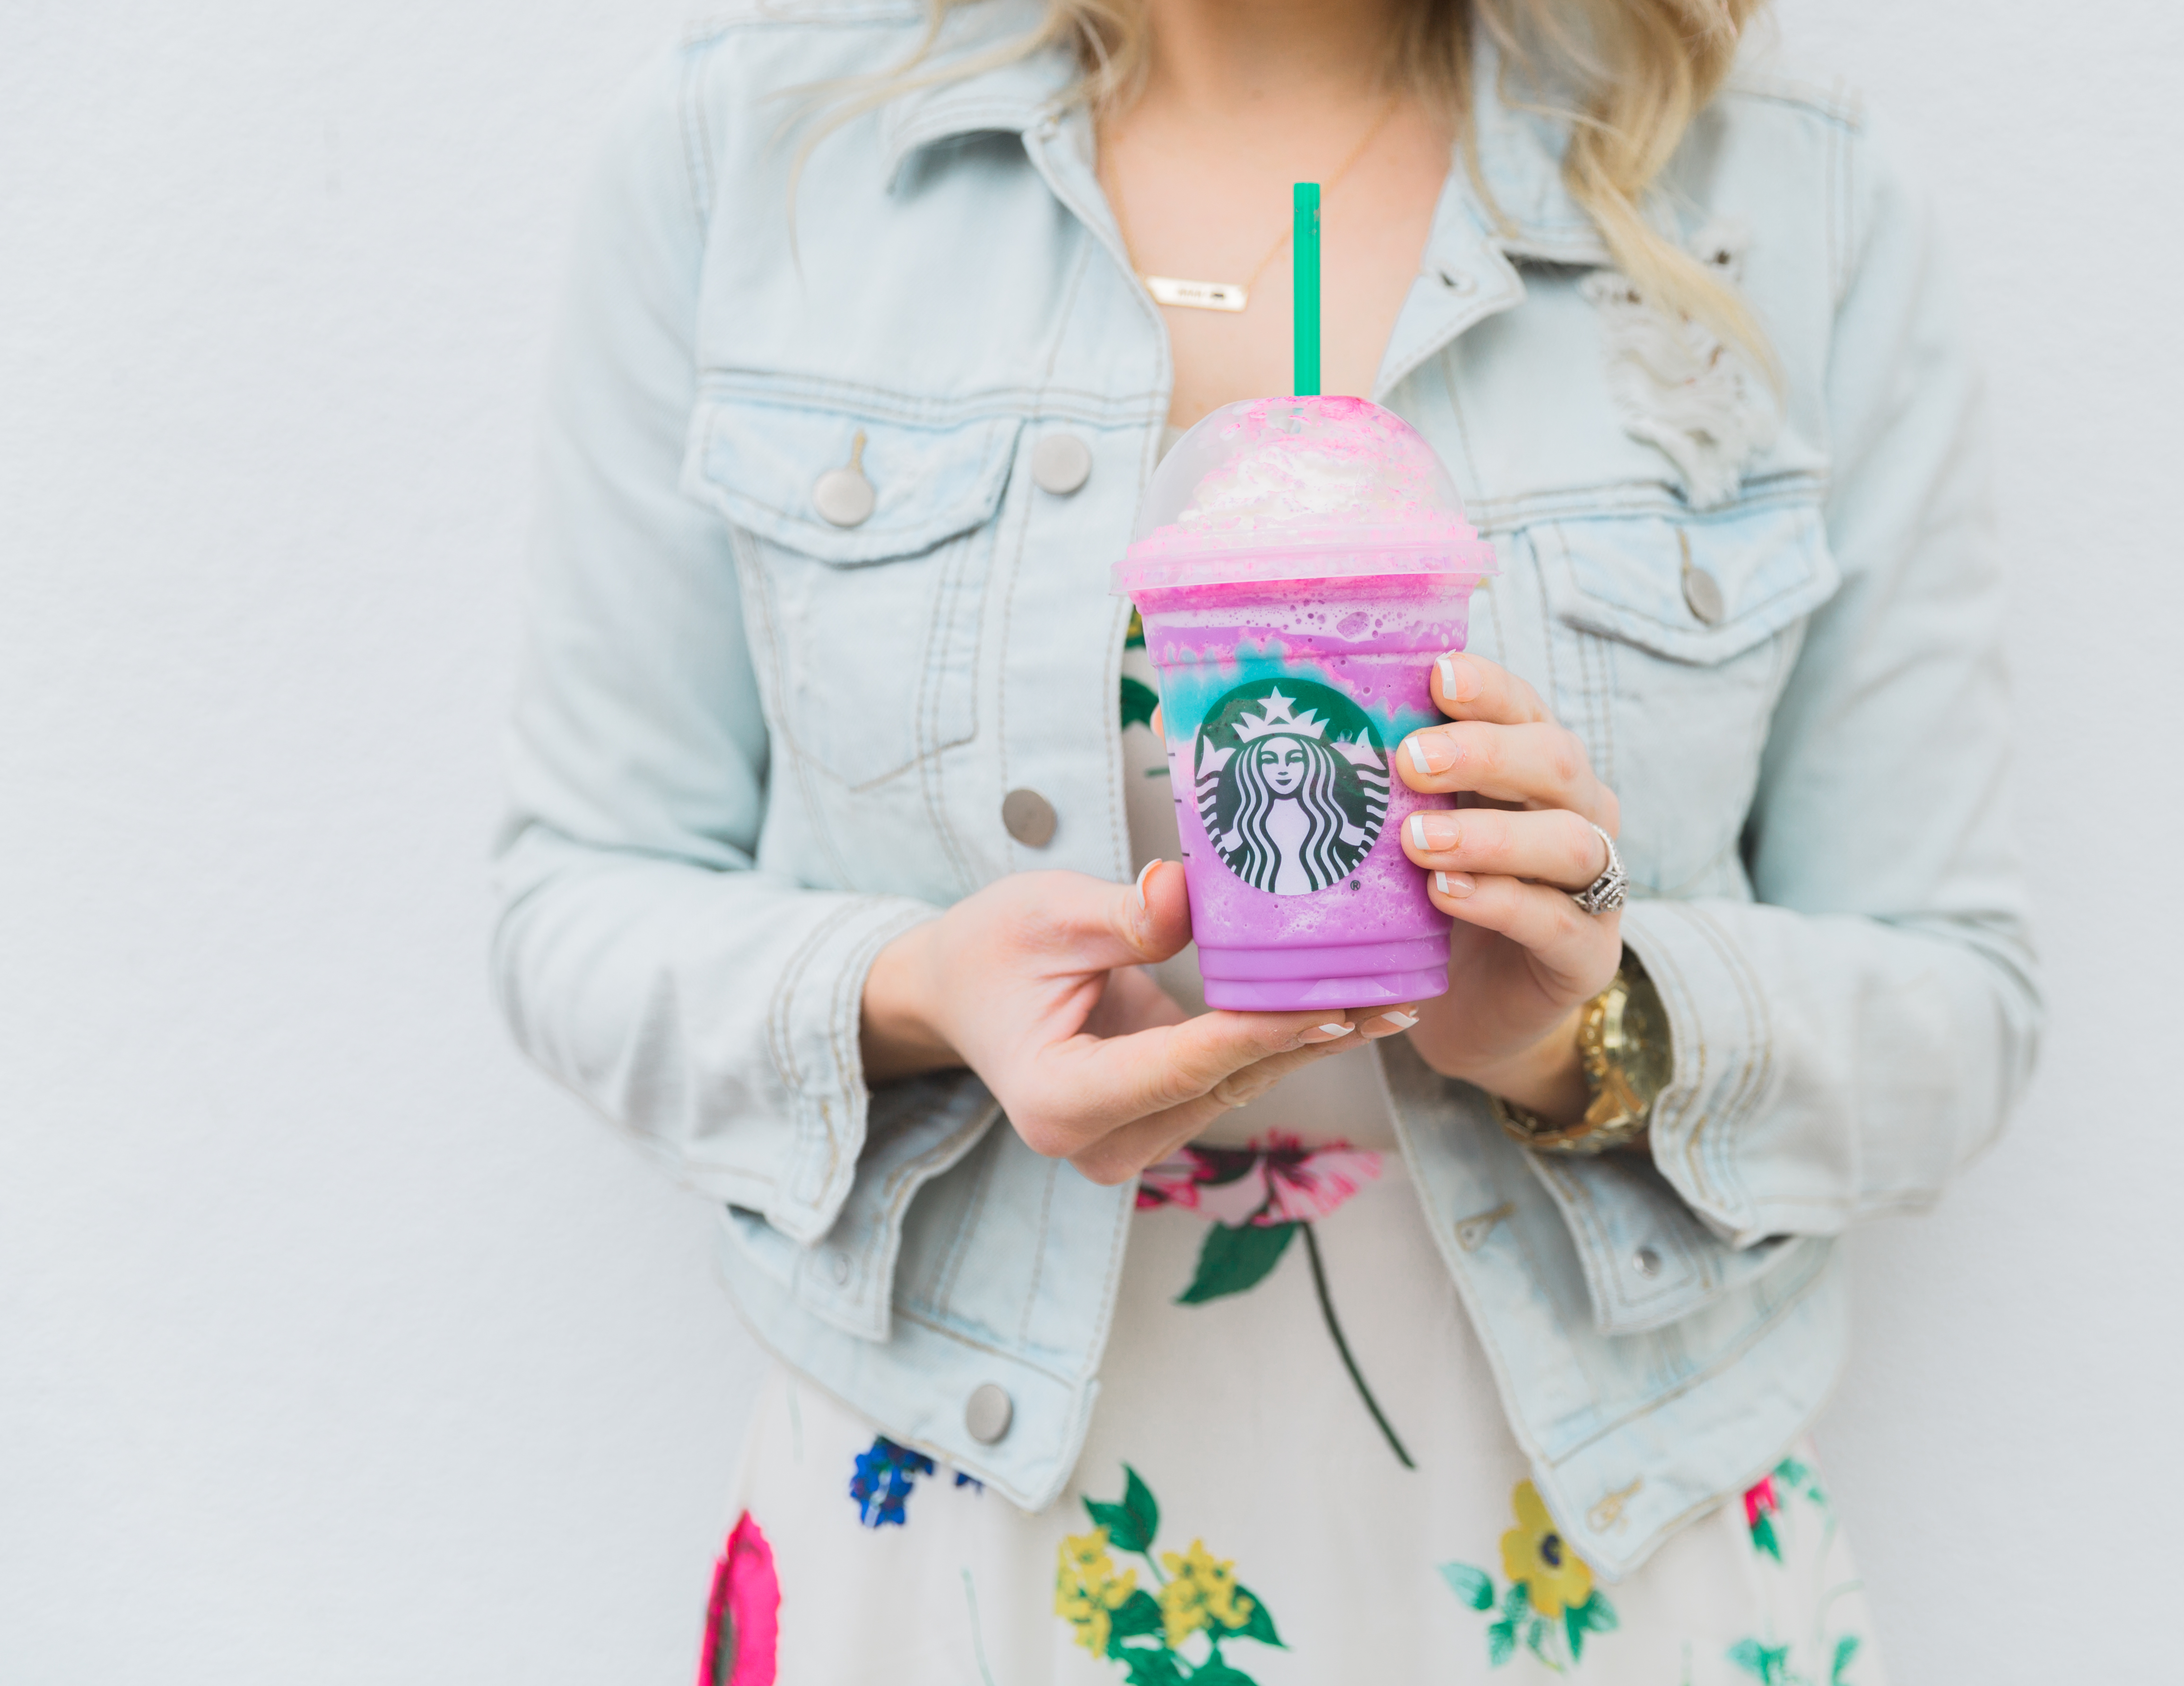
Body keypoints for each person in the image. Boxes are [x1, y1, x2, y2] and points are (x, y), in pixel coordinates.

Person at [494, 0, 2042, 1676]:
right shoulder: (761, 155)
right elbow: (572, 910)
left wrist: (1587, 1033)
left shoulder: (1782, 195)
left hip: (1585, 1543)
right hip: (960, 1542)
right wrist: (922, 987)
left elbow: (1959, 1009)